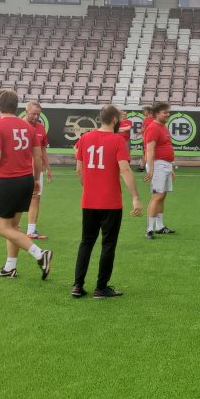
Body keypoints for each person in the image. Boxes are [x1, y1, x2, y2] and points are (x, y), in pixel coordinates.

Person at [73, 104, 143, 298]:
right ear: (114, 120)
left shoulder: (85, 138)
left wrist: (88, 188)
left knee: (86, 242)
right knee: (108, 244)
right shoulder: (118, 140)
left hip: (89, 201)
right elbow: (125, 169)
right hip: (110, 202)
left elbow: (79, 169)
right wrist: (135, 197)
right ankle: (101, 287)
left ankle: (77, 285)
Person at [0, 88, 52, 279]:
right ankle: (10, 267)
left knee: (2, 228)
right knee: (13, 227)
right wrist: (36, 180)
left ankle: (40, 254)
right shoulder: (28, 127)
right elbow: (37, 157)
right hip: (26, 179)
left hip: (9, 181)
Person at [144, 101, 177, 239]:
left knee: (162, 196)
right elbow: (150, 150)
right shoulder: (153, 127)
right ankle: (149, 230)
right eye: (165, 112)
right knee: (157, 196)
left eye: (168, 112)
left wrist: (171, 167)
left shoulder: (162, 126)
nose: (168, 114)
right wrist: (151, 169)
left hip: (165, 165)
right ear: (156, 114)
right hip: (157, 165)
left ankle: (160, 227)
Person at [24, 100, 52, 240]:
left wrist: (48, 168)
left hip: (37, 170)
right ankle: (11, 227)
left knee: (35, 198)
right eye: (33, 114)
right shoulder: (18, 126)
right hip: (21, 169)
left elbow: (43, 149)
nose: (36, 117)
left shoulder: (41, 128)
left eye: (38, 114)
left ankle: (31, 231)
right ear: (26, 111)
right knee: (17, 199)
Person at [136, 105, 154, 171]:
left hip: (152, 139)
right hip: (145, 139)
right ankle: (142, 166)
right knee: (144, 152)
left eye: (144, 111)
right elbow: (143, 129)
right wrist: (139, 133)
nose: (143, 112)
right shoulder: (145, 119)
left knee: (150, 152)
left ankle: (148, 166)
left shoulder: (154, 119)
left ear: (148, 111)